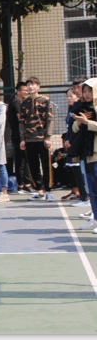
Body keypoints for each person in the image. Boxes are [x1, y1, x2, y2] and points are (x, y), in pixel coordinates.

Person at [19, 76, 55, 202]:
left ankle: (48, 191)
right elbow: (22, 121)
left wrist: (48, 137)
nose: (30, 86)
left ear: (38, 86)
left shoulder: (46, 100)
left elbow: (50, 119)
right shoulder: (24, 103)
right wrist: (22, 138)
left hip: (42, 138)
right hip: (29, 139)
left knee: (46, 166)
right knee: (33, 166)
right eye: (28, 84)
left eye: (33, 84)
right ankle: (39, 191)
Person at [72, 78, 97, 233]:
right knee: (92, 189)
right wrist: (79, 122)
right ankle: (95, 218)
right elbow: (74, 128)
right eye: (85, 91)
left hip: (96, 153)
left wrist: (87, 122)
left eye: (90, 91)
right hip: (87, 153)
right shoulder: (83, 107)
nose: (87, 94)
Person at [7, 82, 34, 194]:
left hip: (19, 134)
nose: (26, 92)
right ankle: (24, 184)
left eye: (27, 90)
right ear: (18, 91)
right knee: (23, 159)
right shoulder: (17, 102)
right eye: (24, 90)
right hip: (19, 135)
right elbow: (21, 118)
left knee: (21, 159)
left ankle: (23, 184)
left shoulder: (17, 101)